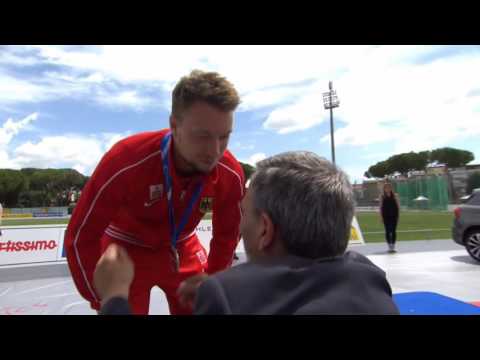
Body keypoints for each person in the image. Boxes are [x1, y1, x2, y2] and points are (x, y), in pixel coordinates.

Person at [65, 70, 245, 315]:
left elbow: (227, 236)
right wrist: (102, 299)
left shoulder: (230, 172)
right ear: (174, 125)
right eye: (202, 136)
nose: (215, 151)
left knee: (206, 304)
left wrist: (213, 280)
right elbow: (80, 235)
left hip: (182, 246)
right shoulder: (125, 159)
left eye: (224, 137)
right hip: (124, 250)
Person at [179, 151, 399, 314]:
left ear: (265, 229)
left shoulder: (225, 298)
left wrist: (223, 288)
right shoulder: (370, 277)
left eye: (244, 213)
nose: (240, 225)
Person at [379, 182, 400, 253]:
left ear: (391, 188)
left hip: (394, 215)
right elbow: (380, 207)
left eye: (389, 187)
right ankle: (389, 246)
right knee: (387, 231)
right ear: (384, 189)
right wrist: (381, 217)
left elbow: (398, 206)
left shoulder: (395, 195)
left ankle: (393, 246)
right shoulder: (382, 196)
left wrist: (398, 216)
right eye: (386, 188)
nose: (387, 189)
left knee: (393, 231)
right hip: (386, 215)